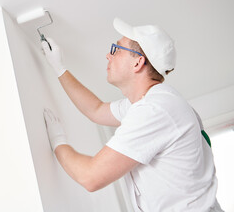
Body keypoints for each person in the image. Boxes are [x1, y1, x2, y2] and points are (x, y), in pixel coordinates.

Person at [42, 18, 223, 212]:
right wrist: (59, 68)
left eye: (116, 49)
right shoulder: (149, 103)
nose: (108, 55)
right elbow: (96, 110)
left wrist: (58, 142)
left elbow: (91, 177)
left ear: (138, 62)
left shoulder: (156, 109)